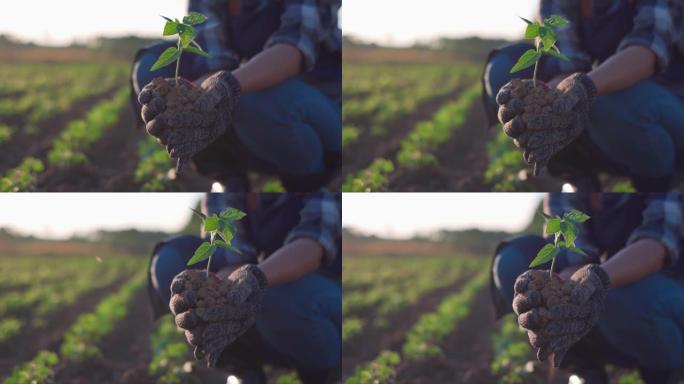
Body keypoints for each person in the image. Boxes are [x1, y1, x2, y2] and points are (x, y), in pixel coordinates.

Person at [132, 0, 342, 192]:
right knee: (153, 66)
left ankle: (310, 180)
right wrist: (188, 94)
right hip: (252, 115)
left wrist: (227, 85)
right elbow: (213, 60)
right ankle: (226, 173)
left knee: (250, 98)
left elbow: (294, 49)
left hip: (315, 109)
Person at [483, 1, 684, 191]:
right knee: (504, 70)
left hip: (667, 107)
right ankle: (575, 174)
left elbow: (646, 53)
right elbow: (566, 64)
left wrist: (582, 87)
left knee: (607, 98)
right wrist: (544, 97)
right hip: (609, 116)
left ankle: (657, 185)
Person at [148, 192, 342, 384]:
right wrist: (216, 288)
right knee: (170, 262)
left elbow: (312, 246)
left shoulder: (318, 188)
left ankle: (321, 370)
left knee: (271, 295)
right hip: (269, 308)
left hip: (321, 295)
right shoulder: (224, 184)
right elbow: (230, 256)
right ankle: (241, 366)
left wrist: (254, 278)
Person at [491, 193, 684, 384]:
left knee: (616, 293)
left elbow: (657, 245)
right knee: (513, 262)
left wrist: (597, 278)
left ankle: (666, 371)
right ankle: (583, 364)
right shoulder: (568, 185)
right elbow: (571, 256)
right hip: (615, 309)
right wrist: (559, 285)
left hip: (667, 292)